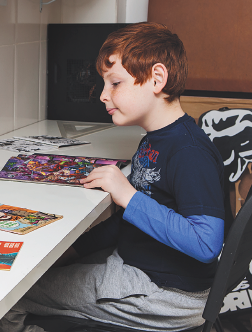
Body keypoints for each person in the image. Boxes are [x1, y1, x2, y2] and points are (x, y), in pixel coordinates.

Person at [0, 22, 225, 332]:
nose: (103, 95)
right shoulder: (155, 139)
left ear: (157, 78)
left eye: (115, 83)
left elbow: (206, 243)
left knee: (12, 296)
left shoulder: (189, 152)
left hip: (167, 294)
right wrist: (67, 255)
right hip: (143, 269)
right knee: (40, 273)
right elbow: (128, 222)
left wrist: (127, 195)